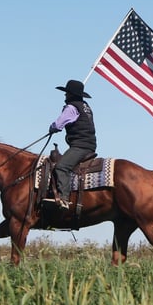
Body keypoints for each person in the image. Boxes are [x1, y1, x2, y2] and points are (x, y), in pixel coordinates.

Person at [45, 79, 97, 211]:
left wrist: (52, 128)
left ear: (71, 94)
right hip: (89, 144)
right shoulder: (86, 106)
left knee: (62, 167)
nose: (65, 95)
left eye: (67, 93)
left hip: (80, 146)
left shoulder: (72, 107)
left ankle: (64, 199)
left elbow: (58, 124)